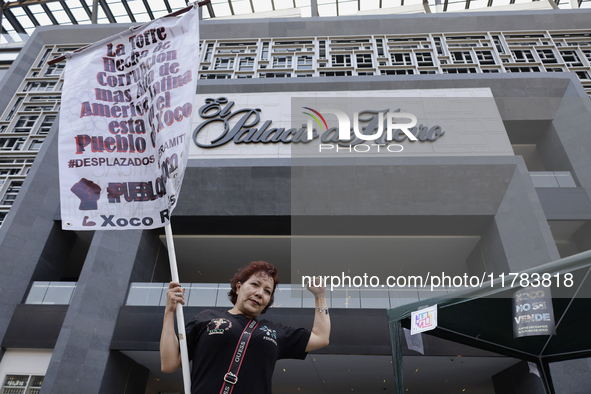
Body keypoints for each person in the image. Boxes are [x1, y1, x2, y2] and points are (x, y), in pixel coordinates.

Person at [160, 261, 330, 394]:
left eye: (267, 291)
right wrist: (169, 312)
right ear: (239, 286)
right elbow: (169, 363)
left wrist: (320, 296)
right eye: (255, 284)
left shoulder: (274, 331)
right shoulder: (206, 318)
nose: (259, 293)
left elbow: (321, 337)